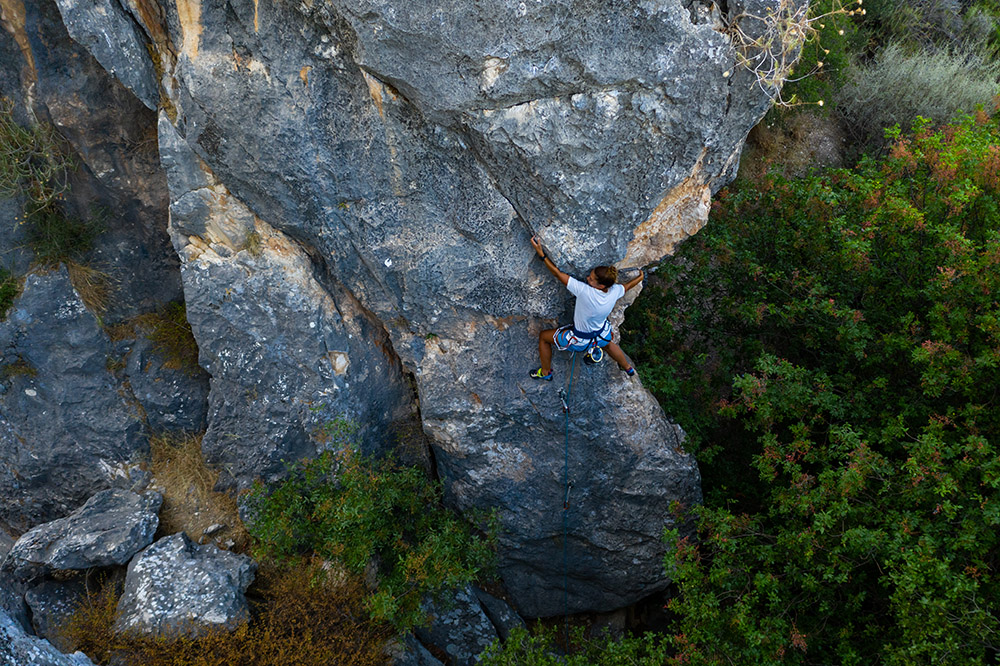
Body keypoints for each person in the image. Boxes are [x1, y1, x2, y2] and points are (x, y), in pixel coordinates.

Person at [529, 235, 643, 381]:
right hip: (601, 335)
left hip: (580, 340)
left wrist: (542, 254)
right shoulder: (614, 291)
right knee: (608, 344)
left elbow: (557, 273)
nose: (587, 278)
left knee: (544, 337)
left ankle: (545, 372)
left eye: (591, 279)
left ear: (601, 285)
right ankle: (627, 367)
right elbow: (627, 286)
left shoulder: (585, 292)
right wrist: (639, 278)